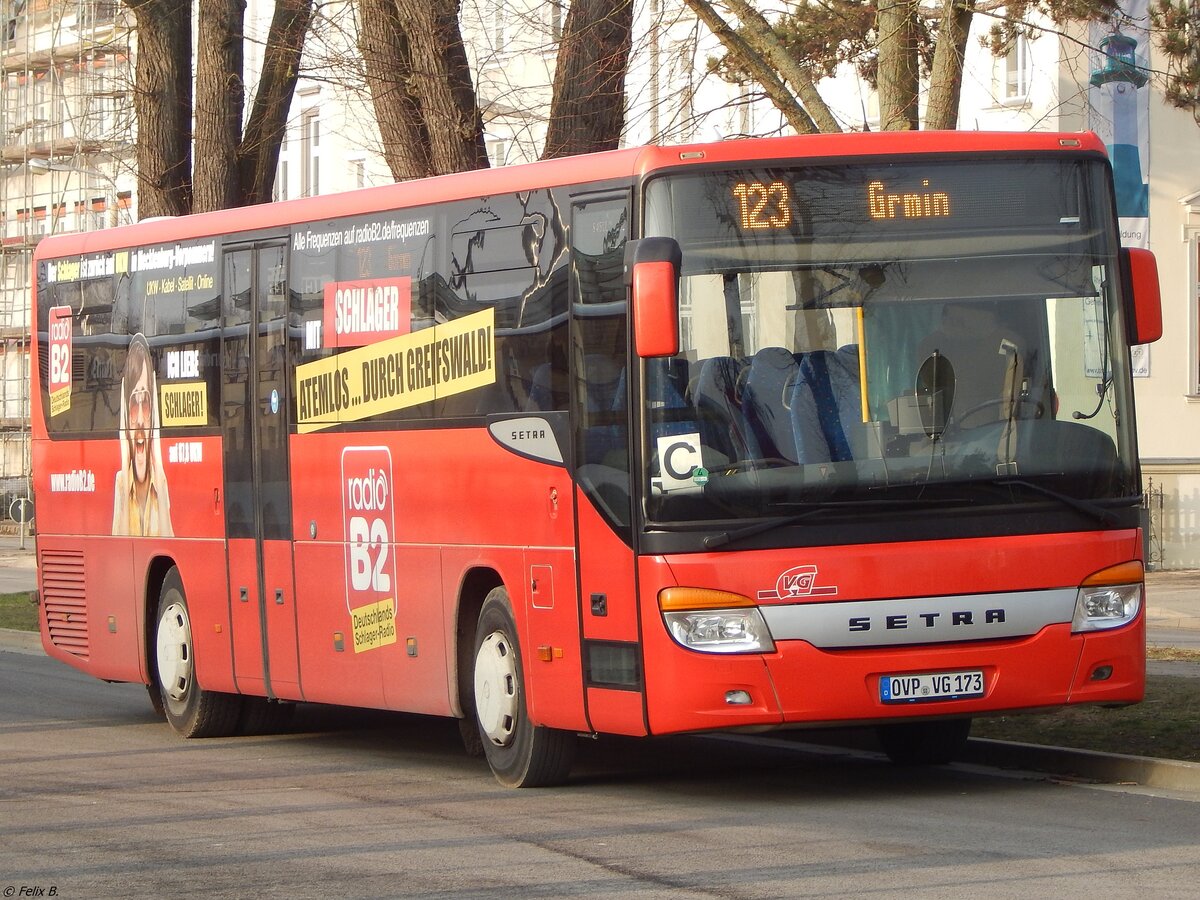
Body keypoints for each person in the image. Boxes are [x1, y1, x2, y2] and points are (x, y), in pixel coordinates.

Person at [113, 334, 173, 536]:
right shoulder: (121, 482)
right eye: (132, 405)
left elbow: (169, 543)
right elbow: (118, 550)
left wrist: (158, 459)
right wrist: (124, 461)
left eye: (145, 403)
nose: (139, 419)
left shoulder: (161, 481)